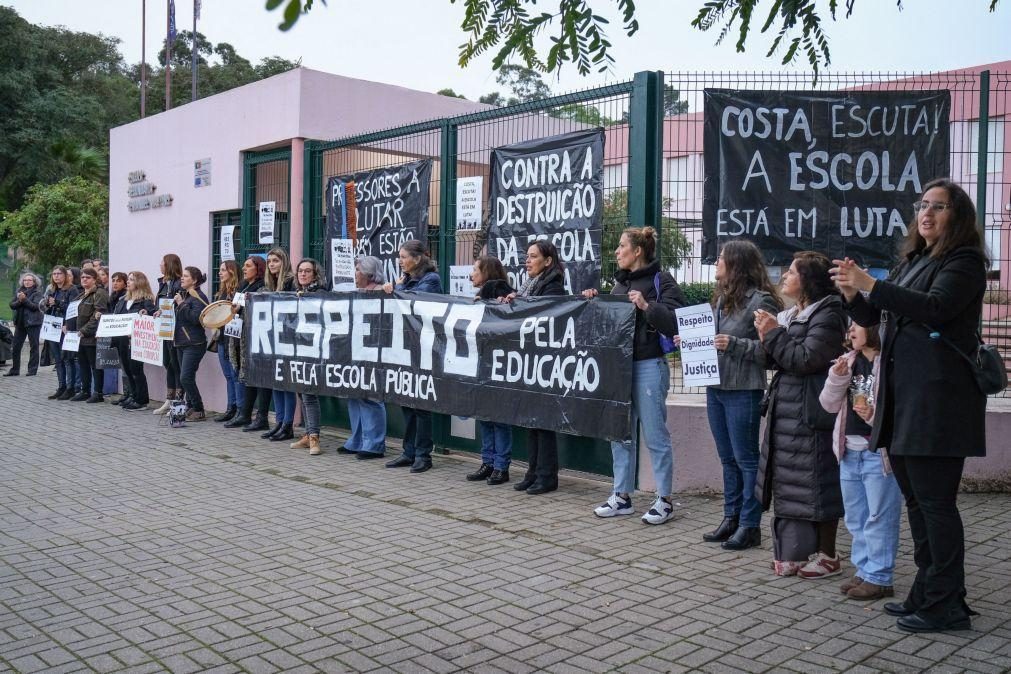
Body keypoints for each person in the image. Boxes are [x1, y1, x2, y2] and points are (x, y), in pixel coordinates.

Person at [831, 178, 987, 633]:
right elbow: (881, 322)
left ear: (957, 216)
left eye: (939, 207)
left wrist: (872, 287)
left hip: (939, 402)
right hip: (904, 401)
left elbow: (936, 308)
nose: (928, 213)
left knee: (936, 504)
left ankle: (947, 605)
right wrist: (854, 296)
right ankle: (930, 590)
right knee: (917, 504)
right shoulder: (914, 261)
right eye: (923, 206)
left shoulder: (965, 261)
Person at [754, 251, 847, 578]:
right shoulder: (792, 313)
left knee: (818, 481)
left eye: (791, 272)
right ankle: (796, 552)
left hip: (812, 410)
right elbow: (779, 359)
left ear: (808, 280)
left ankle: (828, 555)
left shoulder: (829, 314)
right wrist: (765, 338)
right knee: (791, 482)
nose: (784, 277)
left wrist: (773, 335)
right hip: (789, 408)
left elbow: (807, 359)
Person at [584, 228, 685, 522]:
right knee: (620, 434)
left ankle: (664, 499)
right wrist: (594, 302)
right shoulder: (618, 287)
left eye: (621, 245)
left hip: (648, 366)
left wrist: (646, 306)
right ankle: (621, 496)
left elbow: (677, 322)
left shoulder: (661, 281)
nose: (616, 251)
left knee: (655, 435)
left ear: (638, 251)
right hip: (619, 370)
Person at [702, 241, 783, 549]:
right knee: (727, 459)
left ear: (736, 264)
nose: (717, 262)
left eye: (721, 258)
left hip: (742, 389)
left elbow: (771, 350)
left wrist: (733, 344)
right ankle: (730, 517)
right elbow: (712, 338)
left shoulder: (760, 301)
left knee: (746, 459)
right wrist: (693, 339)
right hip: (716, 387)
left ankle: (750, 525)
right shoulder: (723, 298)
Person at [818, 322, 901, 600]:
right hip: (848, 451)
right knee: (856, 517)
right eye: (850, 326)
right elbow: (828, 404)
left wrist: (871, 416)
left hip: (877, 453)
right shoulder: (848, 362)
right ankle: (864, 570)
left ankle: (880, 576)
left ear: (875, 329)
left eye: (858, 326)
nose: (850, 331)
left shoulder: (888, 363)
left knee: (879, 516)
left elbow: (895, 413)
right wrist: (836, 377)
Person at [505, 240, 567, 494]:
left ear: (548, 261)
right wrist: (514, 300)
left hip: (546, 361)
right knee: (531, 419)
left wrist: (521, 304)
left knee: (543, 420)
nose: (526, 261)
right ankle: (532, 471)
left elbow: (544, 316)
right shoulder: (529, 286)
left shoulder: (553, 286)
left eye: (532, 256)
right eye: (526, 256)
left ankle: (547, 475)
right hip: (529, 360)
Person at [383, 240, 443, 473]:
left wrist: (395, 290)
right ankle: (408, 452)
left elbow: (415, 302)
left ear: (417, 259)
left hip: (423, 348)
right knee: (407, 402)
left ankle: (423, 455)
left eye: (404, 256)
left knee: (421, 405)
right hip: (405, 347)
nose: (400, 260)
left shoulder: (431, 279)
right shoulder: (406, 280)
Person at [466, 256, 515, 484]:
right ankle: (489, 462)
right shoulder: (483, 293)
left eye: (475, 269)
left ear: (486, 271)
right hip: (484, 359)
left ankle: (500, 466)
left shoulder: (497, 291)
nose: (471, 274)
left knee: (497, 416)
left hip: (498, 362)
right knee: (485, 414)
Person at [339, 256, 388, 460]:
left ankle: (374, 443)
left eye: (357, 269)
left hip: (374, 351)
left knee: (371, 397)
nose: (354, 273)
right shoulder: (357, 293)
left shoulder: (382, 293)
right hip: (356, 349)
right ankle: (357, 439)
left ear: (369, 273)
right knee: (355, 394)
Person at [289, 258, 329, 455]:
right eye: (300, 271)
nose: (303, 274)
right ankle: (307, 434)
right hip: (297, 348)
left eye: (307, 271)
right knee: (300, 392)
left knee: (309, 393)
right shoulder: (296, 293)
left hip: (313, 351)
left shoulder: (320, 294)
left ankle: (314, 437)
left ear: (315, 274)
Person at [225, 256, 269, 430]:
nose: (244, 269)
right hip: (239, 338)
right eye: (243, 266)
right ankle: (244, 414)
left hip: (255, 339)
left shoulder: (261, 288)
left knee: (259, 380)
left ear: (257, 269)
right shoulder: (243, 287)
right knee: (247, 378)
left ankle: (260, 417)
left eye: (248, 266)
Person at [262, 247, 297, 441]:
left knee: (286, 383)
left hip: (288, 338)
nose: (272, 264)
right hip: (272, 338)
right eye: (269, 261)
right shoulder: (269, 284)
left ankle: (288, 424)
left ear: (283, 261)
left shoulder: (291, 281)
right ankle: (279, 422)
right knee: (275, 382)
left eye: (275, 260)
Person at [112, 271, 157, 411]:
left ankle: (142, 400)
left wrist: (146, 313)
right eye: (129, 279)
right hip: (122, 341)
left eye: (131, 279)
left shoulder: (145, 300)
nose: (128, 282)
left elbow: (151, 316)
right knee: (127, 369)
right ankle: (133, 395)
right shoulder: (123, 300)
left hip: (136, 342)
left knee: (136, 370)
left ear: (139, 282)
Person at [171, 266, 210, 421]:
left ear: (194, 280)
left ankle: (199, 409)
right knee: (186, 377)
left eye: (186, 276)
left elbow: (196, 319)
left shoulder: (198, 296)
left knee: (185, 377)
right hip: (181, 341)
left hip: (194, 343)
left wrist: (181, 304)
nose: (182, 278)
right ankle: (190, 406)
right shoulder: (186, 296)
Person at [41, 267, 80, 399]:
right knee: (58, 360)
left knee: (67, 358)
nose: (56, 276)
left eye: (59, 274)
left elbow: (73, 309)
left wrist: (57, 303)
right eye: (54, 274)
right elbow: (44, 307)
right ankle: (61, 386)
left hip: (65, 327)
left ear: (65, 276)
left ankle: (71, 388)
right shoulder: (52, 290)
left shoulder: (71, 289)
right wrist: (47, 304)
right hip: (52, 327)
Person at [73, 267, 110, 403]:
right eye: (82, 277)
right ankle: (85, 390)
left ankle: (98, 392)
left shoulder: (99, 293)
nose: (84, 279)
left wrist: (85, 330)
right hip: (79, 336)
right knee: (83, 364)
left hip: (91, 336)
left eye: (88, 277)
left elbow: (98, 315)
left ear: (95, 279)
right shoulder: (82, 294)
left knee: (95, 365)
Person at [153, 254, 183, 415]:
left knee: (176, 365)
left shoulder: (179, 284)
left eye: (162, 263)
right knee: (168, 363)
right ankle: (169, 398)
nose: (160, 265)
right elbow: (161, 305)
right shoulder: (163, 284)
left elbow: (178, 307)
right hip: (165, 329)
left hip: (175, 331)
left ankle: (178, 400)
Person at [213, 261, 243, 423]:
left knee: (235, 374)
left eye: (223, 270)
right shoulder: (221, 292)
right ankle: (230, 407)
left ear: (232, 272)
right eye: (220, 270)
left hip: (233, 340)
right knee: (228, 375)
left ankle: (239, 408)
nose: (220, 273)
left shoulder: (238, 292)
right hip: (222, 338)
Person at [6, 271, 44, 377]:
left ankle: (32, 370)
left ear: (34, 282)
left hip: (33, 323)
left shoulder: (38, 293)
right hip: (20, 323)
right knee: (16, 347)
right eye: (25, 280)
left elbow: (35, 307)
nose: (26, 282)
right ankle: (15, 370)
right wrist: (20, 301)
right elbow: (12, 305)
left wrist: (24, 299)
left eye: (29, 280)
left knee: (34, 347)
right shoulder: (19, 291)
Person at [105, 272, 128, 399]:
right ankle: (126, 393)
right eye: (113, 280)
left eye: (118, 281)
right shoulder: (113, 297)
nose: (115, 283)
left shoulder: (125, 297)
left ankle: (128, 393)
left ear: (125, 283)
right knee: (122, 365)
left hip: (123, 335)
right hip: (116, 335)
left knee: (126, 366)